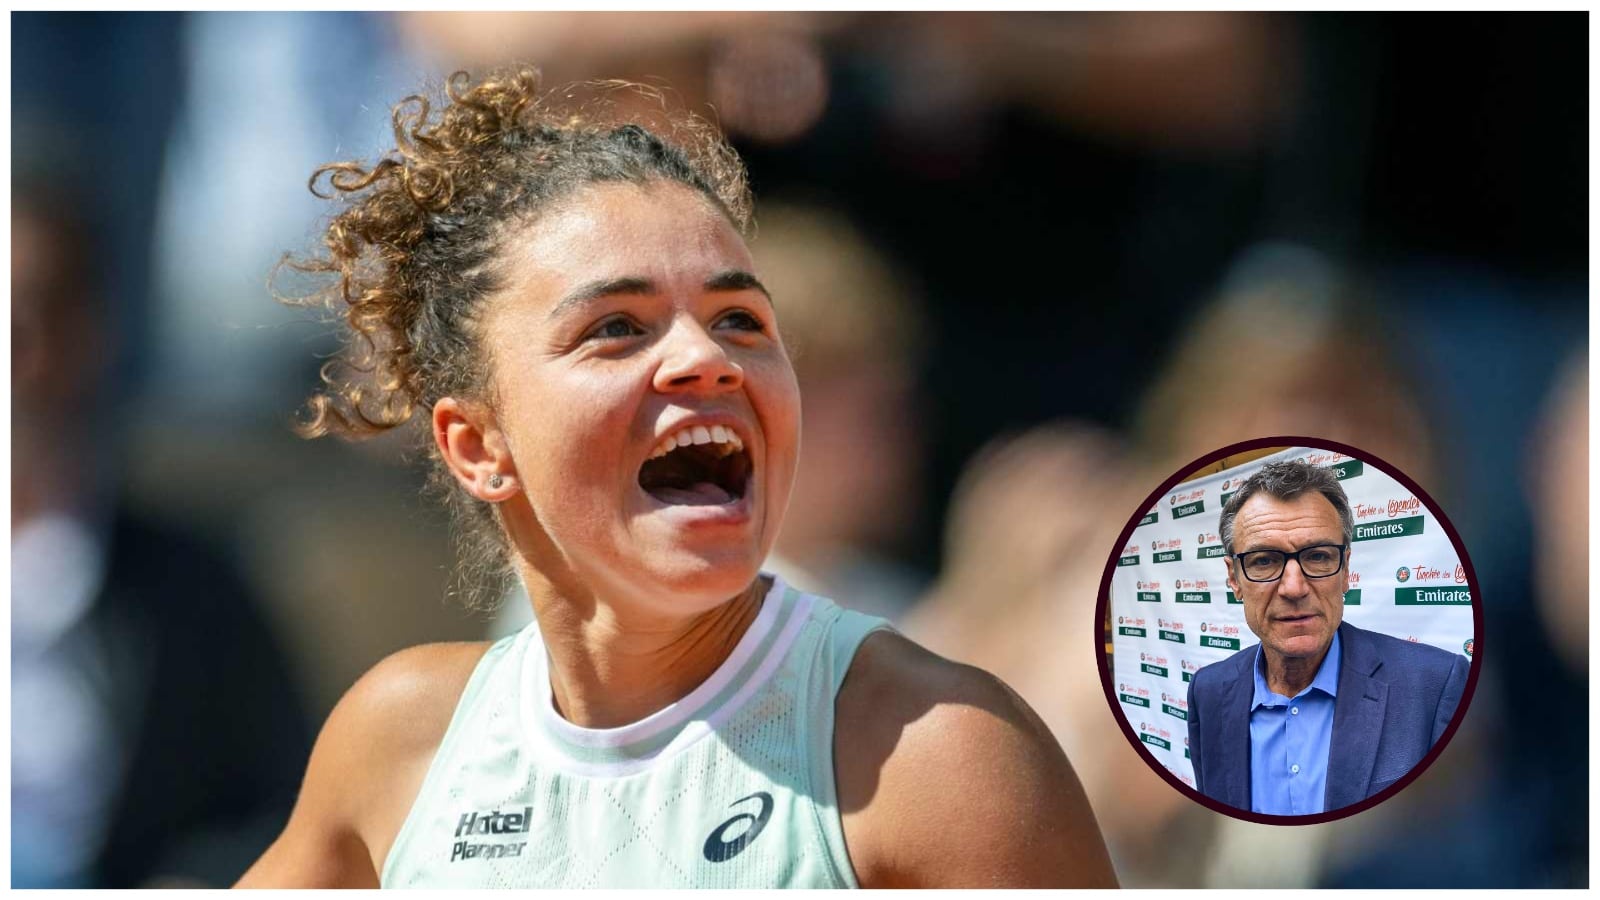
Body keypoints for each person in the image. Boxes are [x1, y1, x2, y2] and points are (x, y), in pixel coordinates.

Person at [237, 66, 1116, 889]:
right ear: (478, 445)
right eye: (617, 326)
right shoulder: (401, 740)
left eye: (741, 319)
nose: (708, 359)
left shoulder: (945, 753)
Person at [1186, 460, 1470, 816]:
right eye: (1264, 561)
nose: (1294, 587)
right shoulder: (1207, 692)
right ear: (1234, 578)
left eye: (1318, 556)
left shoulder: (1435, 686)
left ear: (1346, 570)